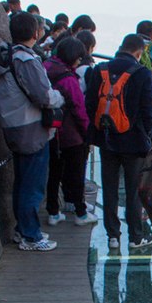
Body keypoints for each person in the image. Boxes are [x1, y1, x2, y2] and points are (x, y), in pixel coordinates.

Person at [0, 11, 64, 251]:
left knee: (23, 181)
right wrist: (58, 97)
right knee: (32, 184)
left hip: (12, 124)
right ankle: (31, 236)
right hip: (30, 127)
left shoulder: (7, 55)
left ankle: (24, 230)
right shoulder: (26, 60)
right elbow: (42, 95)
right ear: (36, 33)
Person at [86, 33, 152, 251]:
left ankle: (112, 236)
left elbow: (89, 103)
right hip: (133, 142)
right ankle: (135, 237)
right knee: (133, 190)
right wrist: (147, 135)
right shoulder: (142, 73)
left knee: (109, 188)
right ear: (139, 51)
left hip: (106, 139)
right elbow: (148, 111)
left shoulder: (101, 70)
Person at [43, 36, 97, 227]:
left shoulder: (46, 67)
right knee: (76, 174)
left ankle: (53, 211)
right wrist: (87, 132)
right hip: (71, 134)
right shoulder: (68, 79)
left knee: (54, 173)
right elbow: (79, 109)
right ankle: (81, 213)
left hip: (50, 130)